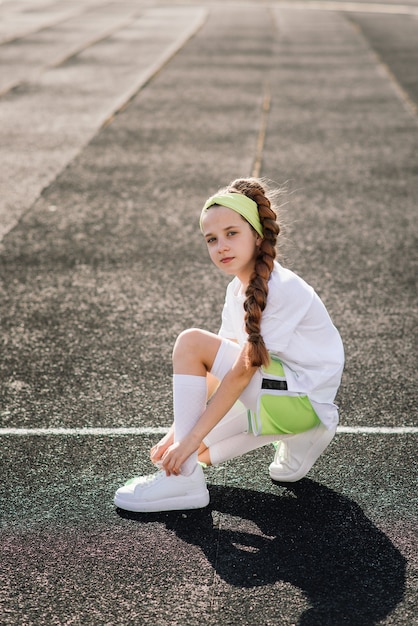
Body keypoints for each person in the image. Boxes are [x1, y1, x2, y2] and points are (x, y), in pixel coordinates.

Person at [114, 178, 344, 513]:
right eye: (212, 239)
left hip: (297, 400)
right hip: (284, 404)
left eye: (231, 233)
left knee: (191, 343)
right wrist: (177, 437)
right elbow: (222, 368)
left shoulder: (283, 287)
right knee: (193, 455)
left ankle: (184, 483)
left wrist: (187, 440)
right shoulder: (236, 292)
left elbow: (238, 372)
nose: (221, 245)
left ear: (256, 234)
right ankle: (297, 435)